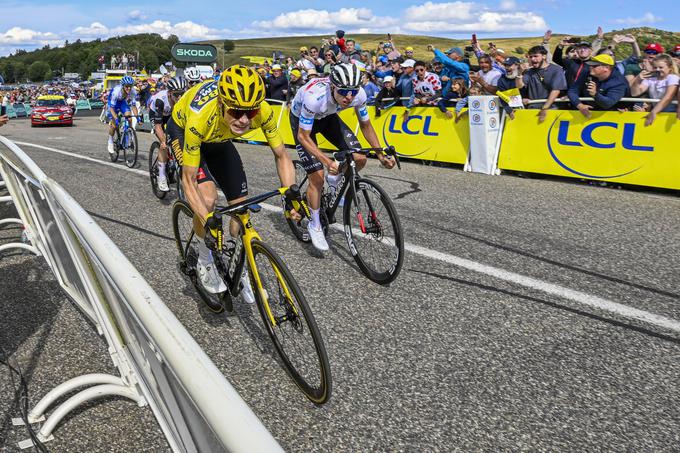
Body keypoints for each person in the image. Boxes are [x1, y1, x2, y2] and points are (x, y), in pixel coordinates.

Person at [168, 65, 298, 295]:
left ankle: (239, 262)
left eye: (251, 112)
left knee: (241, 205)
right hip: (184, 130)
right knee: (207, 200)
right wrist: (208, 219)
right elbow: (188, 181)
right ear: (221, 105)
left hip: (219, 137)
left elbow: (282, 155)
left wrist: (291, 193)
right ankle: (203, 257)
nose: (245, 120)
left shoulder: (264, 111)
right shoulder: (200, 118)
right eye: (237, 112)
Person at [289, 63, 396, 251]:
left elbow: (366, 126)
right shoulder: (315, 98)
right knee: (317, 177)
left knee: (360, 158)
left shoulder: (359, 95)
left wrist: (380, 154)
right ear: (332, 86)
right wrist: (327, 161)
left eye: (353, 92)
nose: (349, 97)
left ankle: (334, 180)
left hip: (329, 118)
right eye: (344, 91)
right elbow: (303, 137)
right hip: (303, 122)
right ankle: (314, 225)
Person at [150, 77, 187, 192]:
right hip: (158, 116)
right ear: (170, 93)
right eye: (176, 95)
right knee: (164, 142)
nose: (179, 97)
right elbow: (158, 126)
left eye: (182, 93)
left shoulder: (184, 99)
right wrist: (163, 141)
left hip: (171, 115)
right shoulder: (160, 99)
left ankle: (171, 163)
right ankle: (161, 175)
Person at [516, 46, 567, 123]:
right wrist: (520, 73)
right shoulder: (529, 71)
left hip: (552, 109)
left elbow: (556, 91)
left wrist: (545, 108)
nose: (533, 59)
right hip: (532, 109)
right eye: (531, 57)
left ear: (544, 56)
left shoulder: (556, 70)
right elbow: (520, 86)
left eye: (536, 56)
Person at [629, 53, 679, 126]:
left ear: (670, 68)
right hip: (656, 115)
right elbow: (635, 93)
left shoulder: (673, 78)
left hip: (671, 115)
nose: (658, 70)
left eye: (661, 67)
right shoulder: (651, 79)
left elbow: (668, 97)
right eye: (655, 67)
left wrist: (653, 112)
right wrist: (638, 80)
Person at [106, 75, 139, 156]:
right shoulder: (116, 92)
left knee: (130, 118)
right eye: (127, 86)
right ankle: (110, 141)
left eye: (130, 86)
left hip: (122, 102)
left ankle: (129, 134)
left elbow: (133, 106)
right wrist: (116, 118)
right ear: (123, 86)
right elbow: (111, 109)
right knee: (114, 124)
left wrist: (137, 118)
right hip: (113, 103)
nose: (129, 88)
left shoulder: (133, 91)